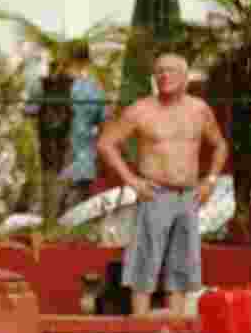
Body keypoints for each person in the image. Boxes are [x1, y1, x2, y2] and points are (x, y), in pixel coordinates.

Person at [97, 52, 228, 316]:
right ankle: (140, 326)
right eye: (159, 71)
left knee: (180, 269)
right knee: (144, 265)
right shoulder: (141, 110)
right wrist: (132, 181)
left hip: (189, 196)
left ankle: (175, 327)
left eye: (170, 70)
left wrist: (210, 181)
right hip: (154, 194)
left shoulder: (199, 110)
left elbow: (220, 145)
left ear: (185, 77)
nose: (164, 76)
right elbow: (106, 144)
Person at [59, 42, 108, 212]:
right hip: (83, 162)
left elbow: (30, 112)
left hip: (52, 162)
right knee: (76, 216)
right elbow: (105, 125)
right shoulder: (94, 89)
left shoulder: (51, 87)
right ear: (87, 61)